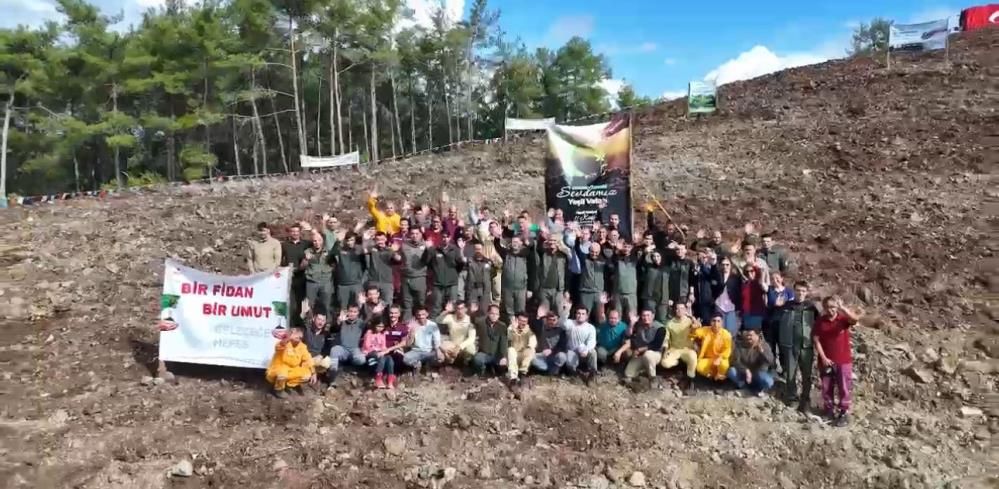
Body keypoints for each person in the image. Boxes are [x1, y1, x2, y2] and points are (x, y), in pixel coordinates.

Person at [813, 295, 860, 427]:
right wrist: (823, 358)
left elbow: (855, 319)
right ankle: (829, 410)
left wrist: (842, 308)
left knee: (844, 387)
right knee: (826, 386)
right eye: (827, 307)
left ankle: (843, 412)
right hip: (826, 360)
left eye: (833, 307)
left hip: (843, 360)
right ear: (824, 308)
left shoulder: (842, 319)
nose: (830, 310)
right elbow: (816, 340)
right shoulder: (820, 321)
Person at [776, 281, 819, 411]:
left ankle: (805, 400)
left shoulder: (811, 307)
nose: (800, 293)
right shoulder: (786, 306)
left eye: (803, 291)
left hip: (806, 346)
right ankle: (792, 398)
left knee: (807, 374)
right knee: (790, 374)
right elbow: (776, 322)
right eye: (798, 290)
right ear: (794, 291)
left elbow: (820, 324)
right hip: (789, 344)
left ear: (806, 293)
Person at [265, 326, 316, 399]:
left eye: (300, 337)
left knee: (307, 375)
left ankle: (287, 385)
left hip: (291, 370)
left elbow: (308, 359)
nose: (299, 338)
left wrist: (314, 373)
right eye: (296, 336)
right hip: (277, 370)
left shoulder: (302, 346)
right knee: (282, 373)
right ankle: (278, 389)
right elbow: (279, 346)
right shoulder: (284, 343)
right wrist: (287, 338)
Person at [620, 309, 666, 382]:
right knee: (628, 373)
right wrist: (632, 323)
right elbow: (629, 336)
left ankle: (652, 378)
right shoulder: (639, 326)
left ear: (653, 316)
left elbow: (657, 345)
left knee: (648, 355)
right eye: (644, 315)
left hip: (655, 354)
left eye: (648, 315)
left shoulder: (660, 328)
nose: (646, 318)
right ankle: (640, 375)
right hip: (640, 355)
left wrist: (639, 349)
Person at [660, 303, 699, 389]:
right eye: (677, 309)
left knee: (693, 357)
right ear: (675, 310)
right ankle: (678, 369)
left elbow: (697, 327)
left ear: (685, 310)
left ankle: (690, 379)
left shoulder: (689, 321)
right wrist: (665, 349)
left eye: (682, 308)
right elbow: (666, 338)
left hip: (687, 348)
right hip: (674, 349)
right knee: (665, 363)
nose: (679, 311)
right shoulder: (670, 323)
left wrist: (692, 318)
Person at [727, 328, 775, 395]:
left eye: (751, 335)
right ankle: (744, 387)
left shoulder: (765, 346)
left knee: (769, 382)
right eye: (747, 335)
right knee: (731, 371)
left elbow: (771, 361)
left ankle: (759, 389)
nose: (749, 337)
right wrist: (746, 370)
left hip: (758, 374)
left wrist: (762, 352)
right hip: (744, 374)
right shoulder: (740, 345)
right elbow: (735, 361)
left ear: (757, 336)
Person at [327, 305, 367, 385]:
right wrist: (338, 322)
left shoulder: (361, 323)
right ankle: (332, 376)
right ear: (347, 312)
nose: (352, 314)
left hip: (354, 349)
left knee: (361, 359)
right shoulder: (342, 322)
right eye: (350, 311)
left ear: (358, 313)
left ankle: (350, 364)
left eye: (355, 312)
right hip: (343, 349)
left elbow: (370, 325)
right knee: (334, 350)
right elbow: (332, 330)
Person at [281, 224, 312, 326]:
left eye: (297, 231)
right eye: (293, 231)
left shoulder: (306, 244)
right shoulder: (284, 245)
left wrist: (310, 229)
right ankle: (290, 324)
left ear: (300, 232)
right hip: (289, 278)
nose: (295, 233)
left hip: (302, 277)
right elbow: (281, 261)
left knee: (300, 302)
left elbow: (318, 242)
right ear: (290, 233)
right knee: (291, 302)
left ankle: (299, 324)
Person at [398, 307, 444, 374]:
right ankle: (416, 364)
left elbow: (437, 340)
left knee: (441, 358)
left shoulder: (432, 325)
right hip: (415, 351)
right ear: (416, 315)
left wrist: (438, 351)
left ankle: (428, 365)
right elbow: (408, 344)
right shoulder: (412, 325)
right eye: (419, 315)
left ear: (427, 314)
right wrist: (412, 334)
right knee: (404, 358)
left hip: (429, 352)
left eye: (423, 314)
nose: (421, 317)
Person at [426, 236, 464, 317]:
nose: (445, 239)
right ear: (440, 238)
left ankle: (451, 324)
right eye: (443, 237)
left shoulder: (455, 249)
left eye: (447, 237)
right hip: (438, 283)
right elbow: (427, 263)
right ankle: (435, 323)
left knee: (452, 307)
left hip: (452, 282)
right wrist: (428, 249)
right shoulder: (434, 250)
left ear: (449, 238)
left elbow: (460, 264)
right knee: (436, 306)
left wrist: (453, 273)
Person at [302, 231, 335, 320]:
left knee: (326, 305)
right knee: (309, 305)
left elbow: (334, 265)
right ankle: (310, 323)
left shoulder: (329, 252)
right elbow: (302, 267)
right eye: (315, 241)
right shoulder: (308, 252)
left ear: (323, 240)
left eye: (319, 240)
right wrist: (306, 259)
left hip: (326, 282)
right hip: (311, 282)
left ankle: (327, 324)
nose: (317, 243)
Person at [533, 235, 570, 314]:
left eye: (554, 240)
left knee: (559, 312)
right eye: (551, 240)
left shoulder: (563, 255)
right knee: (543, 313)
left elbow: (567, 273)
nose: (552, 242)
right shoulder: (543, 253)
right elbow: (538, 247)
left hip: (558, 289)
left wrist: (566, 289)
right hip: (544, 289)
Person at [497, 236, 531, 320]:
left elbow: (532, 272)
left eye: (516, 241)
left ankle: (520, 326)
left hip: (521, 288)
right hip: (507, 288)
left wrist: (530, 289)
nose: (514, 243)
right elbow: (497, 246)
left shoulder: (526, 254)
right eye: (513, 242)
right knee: (509, 311)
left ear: (521, 243)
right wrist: (498, 237)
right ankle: (511, 325)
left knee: (520, 310)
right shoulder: (506, 254)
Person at [399, 227, 429, 319]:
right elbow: (398, 258)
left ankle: (420, 322)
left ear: (421, 234)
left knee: (420, 303)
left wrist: (429, 249)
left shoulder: (426, 245)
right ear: (409, 235)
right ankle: (407, 323)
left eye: (417, 233)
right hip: (406, 278)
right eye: (412, 233)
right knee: (406, 303)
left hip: (420, 277)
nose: (414, 236)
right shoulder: (404, 245)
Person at [691, 315, 733, 381]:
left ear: (722, 323)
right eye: (714, 321)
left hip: (721, 359)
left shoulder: (726, 334)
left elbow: (727, 350)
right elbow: (694, 334)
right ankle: (712, 378)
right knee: (699, 367)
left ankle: (720, 378)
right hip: (708, 359)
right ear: (710, 322)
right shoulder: (705, 330)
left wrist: (720, 358)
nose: (716, 324)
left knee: (724, 365)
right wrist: (694, 328)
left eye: (718, 321)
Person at [331, 233, 366, 313]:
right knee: (343, 309)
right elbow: (331, 255)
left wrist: (364, 240)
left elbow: (365, 254)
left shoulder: (359, 251)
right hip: (343, 285)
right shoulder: (340, 250)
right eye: (348, 240)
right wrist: (337, 241)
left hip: (357, 284)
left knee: (359, 308)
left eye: (352, 240)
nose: (350, 242)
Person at [563, 304, 598, 379]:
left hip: (584, 352)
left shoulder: (591, 328)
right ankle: (575, 375)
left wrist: (586, 350)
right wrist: (566, 310)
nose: (580, 316)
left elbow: (592, 342)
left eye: (583, 314)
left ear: (586, 316)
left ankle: (592, 374)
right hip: (572, 352)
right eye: (578, 313)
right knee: (570, 364)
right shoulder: (570, 323)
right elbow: (561, 323)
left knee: (593, 352)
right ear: (575, 314)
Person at [472, 305, 508, 375]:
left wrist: (503, 356)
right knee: (477, 359)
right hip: (484, 354)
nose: (494, 316)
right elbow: (473, 320)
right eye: (492, 313)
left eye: (497, 314)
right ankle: (482, 370)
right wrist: (473, 312)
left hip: (496, 355)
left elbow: (503, 342)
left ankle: (494, 368)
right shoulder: (481, 322)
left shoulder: (502, 326)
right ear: (488, 313)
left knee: (504, 366)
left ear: (499, 316)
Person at [531, 306, 568, 375]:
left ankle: (554, 370)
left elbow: (562, 346)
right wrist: (539, 317)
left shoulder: (561, 331)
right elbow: (533, 323)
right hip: (542, 355)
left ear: (557, 320)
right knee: (531, 357)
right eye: (550, 320)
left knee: (562, 356)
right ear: (546, 320)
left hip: (554, 355)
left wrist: (552, 351)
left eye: (554, 320)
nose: (552, 322)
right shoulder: (541, 328)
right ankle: (546, 370)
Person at [594, 295, 628, 367]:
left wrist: (619, 352)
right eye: (611, 318)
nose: (613, 320)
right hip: (603, 348)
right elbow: (601, 315)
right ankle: (603, 364)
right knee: (600, 354)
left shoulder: (623, 326)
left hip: (616, 348)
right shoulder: (604, 323)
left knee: (626, 352)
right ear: (608, 318)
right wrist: (602, 304)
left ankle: (618, 365)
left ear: (619, 319)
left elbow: (628, 341)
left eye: (615, 318)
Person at [365, 232, 398, 306]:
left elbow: (399, 259)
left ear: (385, 239)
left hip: (387, 282)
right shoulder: (372, 248)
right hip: (373, 281)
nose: (380, 241)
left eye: (382, 239)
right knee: (371, 304)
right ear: (375, 240)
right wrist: (365, 240)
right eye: (378, 240)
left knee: (387, 304)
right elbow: (363, 251)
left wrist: (393, 251)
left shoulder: (390, 250)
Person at [361, 317, 395, 389]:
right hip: (369, 351)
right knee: (381, 357)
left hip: (379, 351)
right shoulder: (369, 332)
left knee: (389, 358)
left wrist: (385, 350)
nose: (380, 328)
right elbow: (367, 346)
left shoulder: (382, 334)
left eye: (382, 327)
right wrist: (378, 351)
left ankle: (390, 380)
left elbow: (383, 346)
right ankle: (378, 379)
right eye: (378, 326)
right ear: (374, 325)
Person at [639, 250, 672, 323]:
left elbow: (671, 284)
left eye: (658, 256)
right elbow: (640, 263)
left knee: (662, 319)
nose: (656, 258)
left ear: (661, 257)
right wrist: (645, 253)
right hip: (649, 298)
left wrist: (671, 298)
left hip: (663, 299)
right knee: (648, 319)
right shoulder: (648, 267)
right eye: (654, 256)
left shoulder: (667, 269)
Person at [465, 243, 499, 314]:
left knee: (484, 311)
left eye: (479, 249)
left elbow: (493, 274)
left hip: (485, 291)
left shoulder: (488, 262)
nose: (478, 251)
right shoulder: (469, 262)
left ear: (483, 250)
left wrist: (493, 264)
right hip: (473, 290)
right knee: (472, 311)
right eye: (476, 249)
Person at [610, 241, 640, 320]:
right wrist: (616, 250)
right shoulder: (617, 258)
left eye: (628, 247)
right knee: (617, 317)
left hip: (631, 293)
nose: (626, 249)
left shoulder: (635, 259)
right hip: (618, 293)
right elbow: (610, 263)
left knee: (632, 317)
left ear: (632, 247)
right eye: (625, 246)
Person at [714, 257, 742, 338]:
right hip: (719, 306)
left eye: (727, 264)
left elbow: (739, 291)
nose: (725, 266)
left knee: (731, 331)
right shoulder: (718, 276)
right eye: (723, 264)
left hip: (731, 307)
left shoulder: (736, 277)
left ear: (730, 266)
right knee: (719, 331)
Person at [507, 311, 538, 382]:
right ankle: (513, 378)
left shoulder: (529, 331)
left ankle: (522, 373)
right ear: (516, 320)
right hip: (511, 358)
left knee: (531, 350)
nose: (523, 323)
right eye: (521, 321)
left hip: (522, 357)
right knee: (511, 350)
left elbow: (533, 344)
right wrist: (514, 330)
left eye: (525, 321)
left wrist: (528, 347)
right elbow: (508, 340)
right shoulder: (510, 329)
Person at [693, 250, 719, 325]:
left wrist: (702, 266)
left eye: (704, 257)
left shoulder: (711, 269)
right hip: (697, 299)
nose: (702, 259)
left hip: (707, 299)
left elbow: (711, 277)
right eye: (700, 258)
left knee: (706, 320)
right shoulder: (695, 268)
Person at [303, 313, 332, 381]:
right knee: (305, 377)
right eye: (319, 319)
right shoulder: (306, 331)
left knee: (327, 361)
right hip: (307, 358)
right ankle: (312, 373)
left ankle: (316, 373)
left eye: (323, 320)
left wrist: (321, 355)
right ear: (314, 319)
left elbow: (328, 348)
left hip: (317, 359)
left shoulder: (326, 334)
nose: (321, 322)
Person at [740, 265, 769, 331]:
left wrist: (761, 273)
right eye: (747, 272)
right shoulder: (744, 285)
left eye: (751, 271)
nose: (749, 273)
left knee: (755, 333)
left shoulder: (759, 282)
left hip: (756, 313)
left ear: (755, 272)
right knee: (748, 334)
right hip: (746, 314)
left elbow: (766, 289)